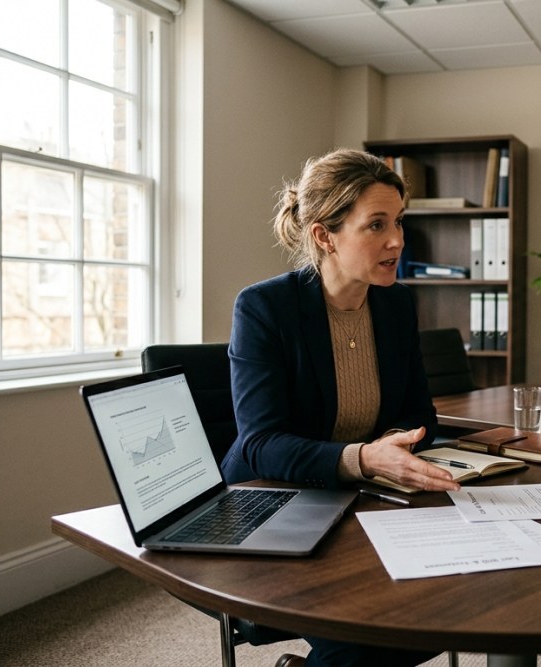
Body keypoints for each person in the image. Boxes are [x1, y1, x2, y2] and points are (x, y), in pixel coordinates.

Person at [220, 148, 460, 667]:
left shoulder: (396, 304)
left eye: (398, 221)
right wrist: (365, 459)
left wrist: (395, 453)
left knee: (438, 611)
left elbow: (421, 417)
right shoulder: (264, 308)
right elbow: (260, 444)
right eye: (376, 225)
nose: (397, 240)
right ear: (324, 236)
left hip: (361, 504)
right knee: (365, 638)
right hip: (273, 504)